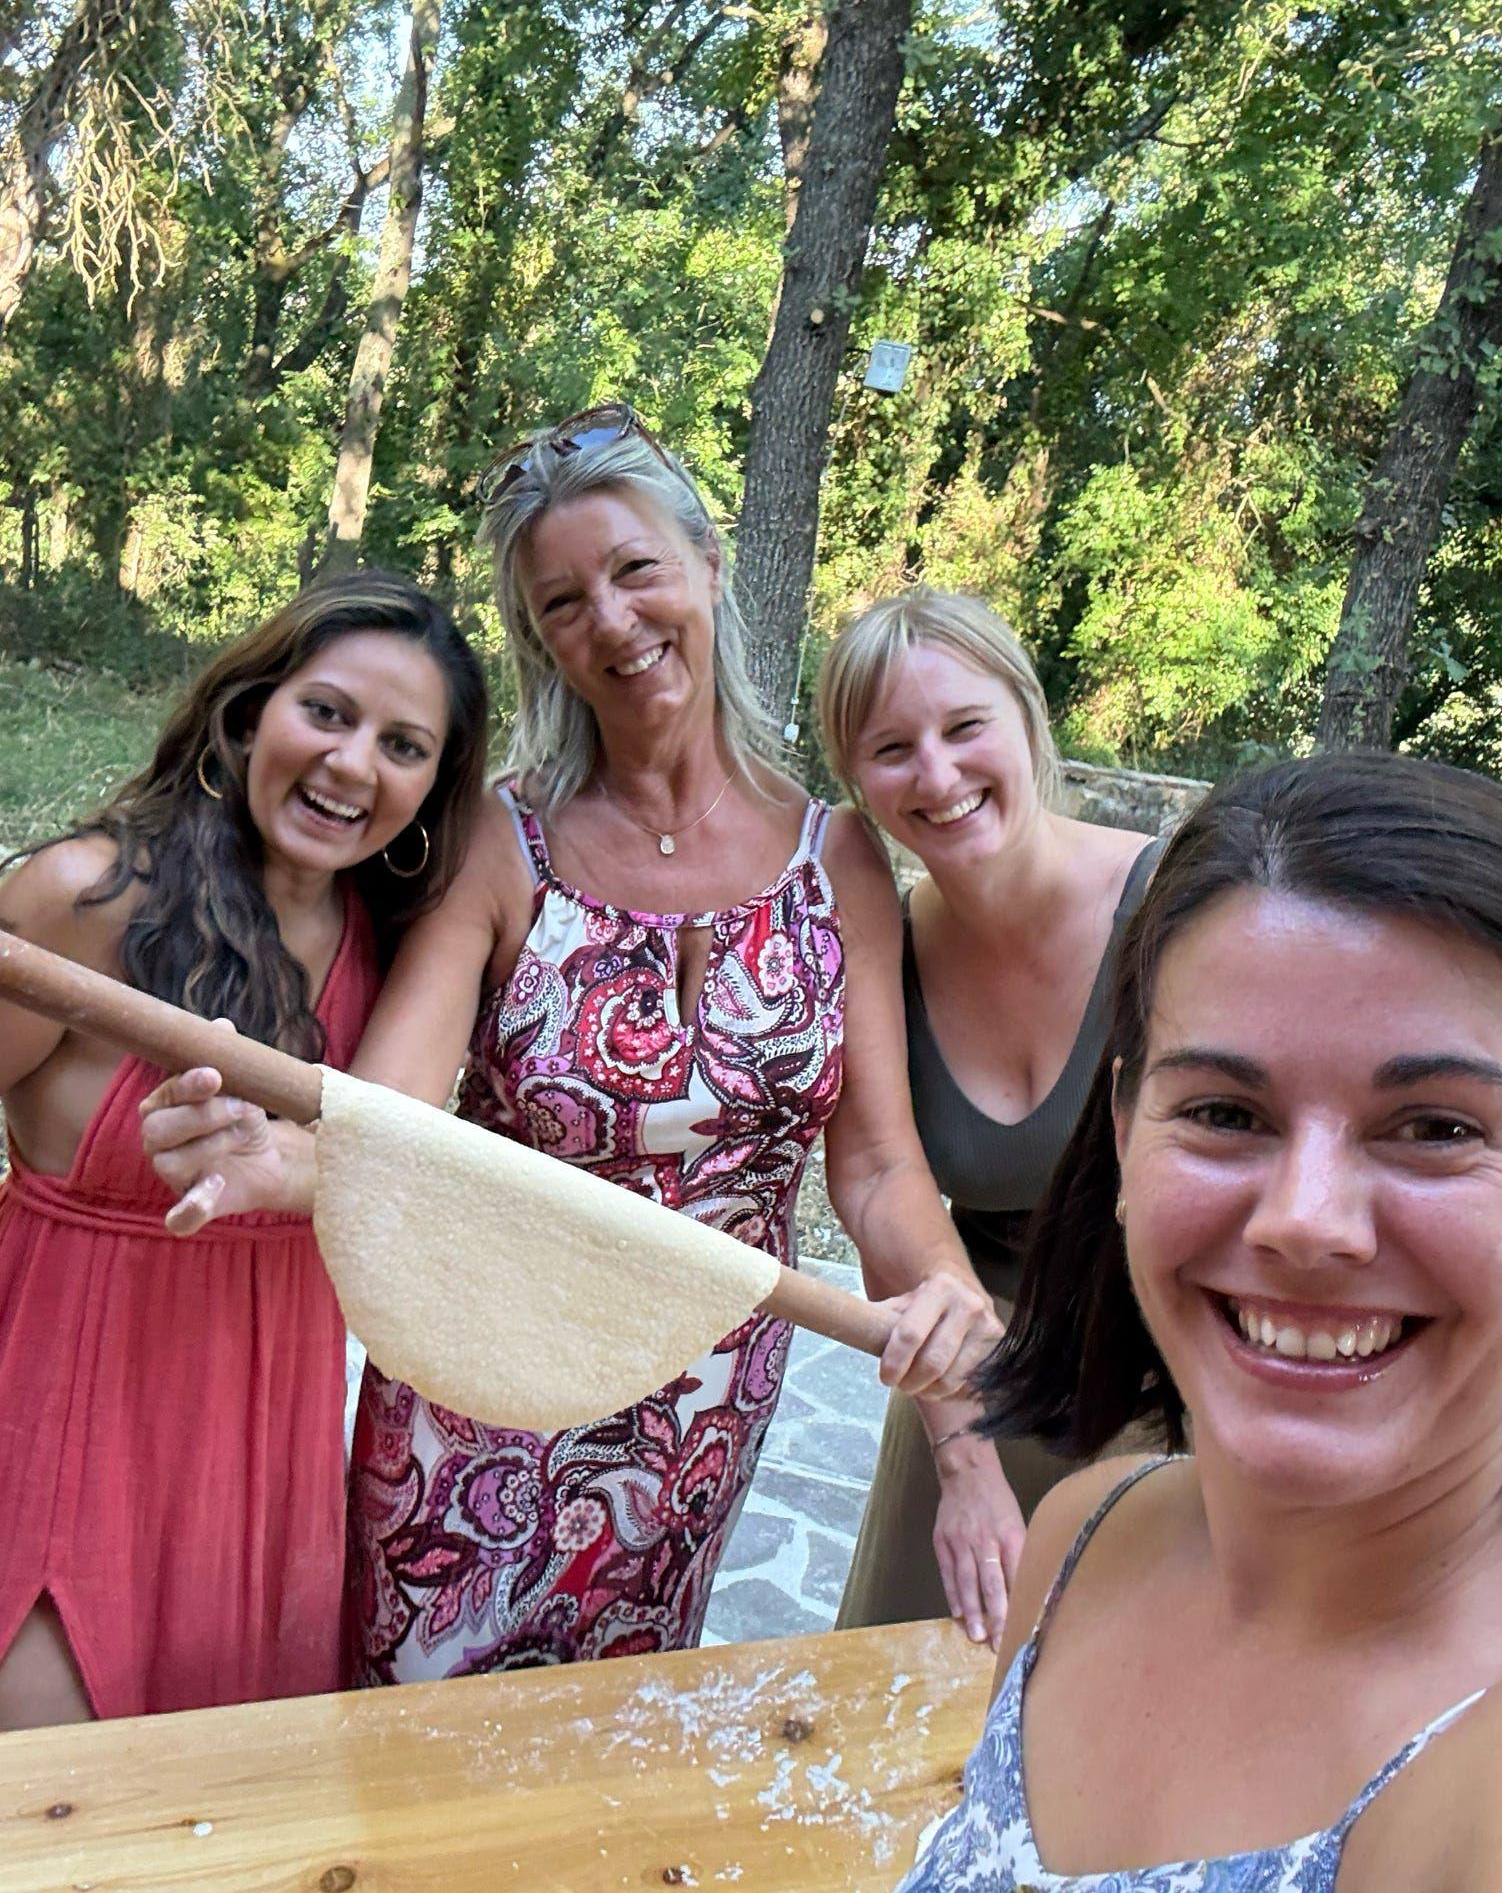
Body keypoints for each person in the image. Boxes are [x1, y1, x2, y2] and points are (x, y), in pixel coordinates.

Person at [143, 404, 1001, 1681]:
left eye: (636, 570)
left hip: (700, 1407)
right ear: (540, 639)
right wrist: (280, 1160)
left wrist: (948, 1358)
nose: (610, 619)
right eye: (562, 602)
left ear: (710, 563)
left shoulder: (841, 862)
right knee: (410, 1746)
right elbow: (387, 1118)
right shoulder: (505, 839)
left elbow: (874, 1164)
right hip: (475, 1383)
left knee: (602, 1754)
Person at [862, 752, 1502, 1893]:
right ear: (1120, 1132)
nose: (1305, 1217)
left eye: (1438, 1126)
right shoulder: (1078, 1539)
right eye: (1227, 1111)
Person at [0, 571, 487, 1725]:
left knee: (215, 1834)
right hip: (68, 1405)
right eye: (326, 712)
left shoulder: (389, 946)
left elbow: (407, 1169)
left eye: (404, 743)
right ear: (251, 710)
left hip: (261, 1453)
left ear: (431, 787)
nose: (353, 763)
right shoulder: (87, 897)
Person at [817, 588, 1160, 1650]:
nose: (938, 774)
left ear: (1026, 717)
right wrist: (962, 1455)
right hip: (970, 1378)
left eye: (965, 727)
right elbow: (882, 1177)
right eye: (891, 748)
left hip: (1161, 1377)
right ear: (856, 779)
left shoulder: (1169, 900)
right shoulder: (884, 937)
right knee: (901, 1704)